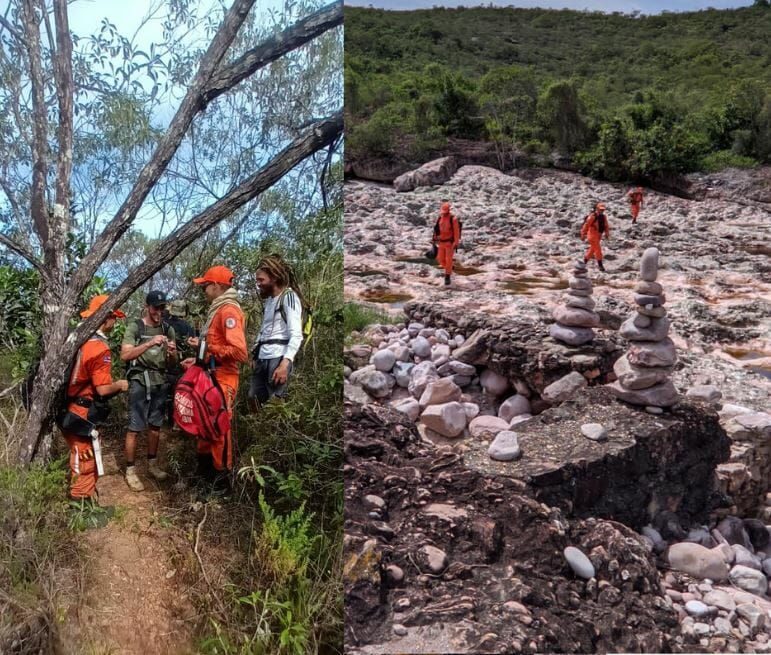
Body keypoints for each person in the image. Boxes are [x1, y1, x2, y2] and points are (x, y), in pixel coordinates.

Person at [182, 266, 247, 492]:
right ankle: (204, 474)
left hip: (224, 377)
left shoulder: (228, 311)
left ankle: (221, 480)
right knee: (204, 424)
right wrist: (198, 359)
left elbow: (240, 352)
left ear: (217, 286)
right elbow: (215, 348)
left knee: (219, 427)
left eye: (205, 285)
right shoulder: (216, 311)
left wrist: (208, 348)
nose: (203, 289)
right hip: (210, 374)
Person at [61, 295, 129, 502]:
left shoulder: (77, 337)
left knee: (81, 453)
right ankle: (80, 507)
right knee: (85, 458)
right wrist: (119, 385)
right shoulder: (99, 348)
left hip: (67, 407)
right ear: (106, 317)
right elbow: (102, 390)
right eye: (114, 317)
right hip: (81, 410)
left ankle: (85, 497)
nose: (114, 322)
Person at [120, 290, 177, 491]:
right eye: (155, 308)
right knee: (135, 427)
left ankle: (152, 464)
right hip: (139, 381)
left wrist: (171, 354)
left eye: (162, 308)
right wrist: (149, 343)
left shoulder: (168, 329)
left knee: (155, 426)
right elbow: (125, 355)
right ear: (147, 307)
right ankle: (130, 470)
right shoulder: (136, 327)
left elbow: (172, 363)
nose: (159, 312)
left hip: (159, 381)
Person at [249, 255, 304, 406]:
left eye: (261, 280)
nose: (258, 284)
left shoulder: (289, 297)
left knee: (275, 405)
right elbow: (264, 329)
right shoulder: (269, 301)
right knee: (254, 399)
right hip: (262, 357)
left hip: (278, 357)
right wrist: (255, 355)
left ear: (274, 278)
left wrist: (285, 364)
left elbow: (296, 334)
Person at [164, 299, 196, 427]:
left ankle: (162, 421)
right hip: (182, 365)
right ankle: (177, 423)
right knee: (180, 394)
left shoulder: (164, 324)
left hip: (166, 364)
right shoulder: (188, 327)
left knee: (165, 394)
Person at [432, 202, 461, 286]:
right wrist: (434, 238)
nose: (444, 213)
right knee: (440, 259)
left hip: (449, 243)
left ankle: (447, 276)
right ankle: (449, 268)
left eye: (445, 211)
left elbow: (456, 232)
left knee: (448, 259)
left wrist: (456, 242)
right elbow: (436, 229)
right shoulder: (439, 218)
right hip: (441, 242)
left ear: (448, 210)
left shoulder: (453, 219)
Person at [580, 202, 611, 272]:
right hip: (592, 235)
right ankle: (600, 265)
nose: (602, 211)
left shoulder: (603, 217)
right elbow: (586, 225)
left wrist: (607, 234)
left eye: (603, 210)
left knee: (592, 249)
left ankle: (583, 263)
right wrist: (583, 234)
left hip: (598, 235)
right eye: (600, 209)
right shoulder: (592, 216)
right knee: (598, 250)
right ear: (597, 209)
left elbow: (606, 226)